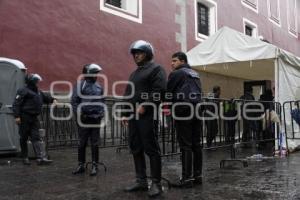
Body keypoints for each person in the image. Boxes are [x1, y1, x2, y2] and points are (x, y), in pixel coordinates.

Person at [122, 40, 166, 197]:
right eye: (134, 53)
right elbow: (128, 93)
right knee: (135, 147)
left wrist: (146, 105)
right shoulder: (134, 73)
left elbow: (159, 90)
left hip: (148, 115)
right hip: (134, 116)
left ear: (147, 53)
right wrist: (125, 113)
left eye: (139, 52)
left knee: (151, 148)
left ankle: (156, 183)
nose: (136, 56)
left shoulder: (156, 69)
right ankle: (141, 181)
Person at [166, 52, 203, 188]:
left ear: (182, 61)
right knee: (196, 144)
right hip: (197, 110)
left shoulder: (177, 74)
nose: (172, 63)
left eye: (174, 61)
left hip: (183, 110)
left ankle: (186, 179)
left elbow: (168, 92)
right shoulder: (195, 74)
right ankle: (198, 176)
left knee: (185, 145)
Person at [12, 73, 56, 165]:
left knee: (36, 137)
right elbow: (16, 104)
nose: (37, 83)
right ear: (31, 82)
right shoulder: (23, 90)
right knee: (24, 137)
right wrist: (17, 116)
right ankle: (25, 157)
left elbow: (45, 97)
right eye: (36, 81)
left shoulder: (38, 91)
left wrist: (52, 99)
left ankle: (40, 158)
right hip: (24, 117)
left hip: (34, 118)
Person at [71, 63, 104, 176]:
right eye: (94, 73)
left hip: (96, 119)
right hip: (84, 119)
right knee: (82, 143)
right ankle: (81, 165)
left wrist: (101, 113)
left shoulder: (99, 86)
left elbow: (102, 101)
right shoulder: (81, 85)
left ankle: (95, 165)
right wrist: (79, 115)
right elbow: (75, 101)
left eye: (97, 73)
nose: (96, 75)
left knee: (95, 143)